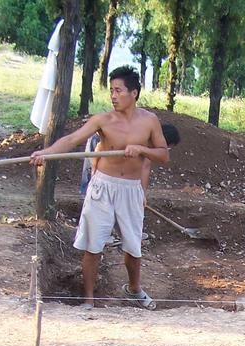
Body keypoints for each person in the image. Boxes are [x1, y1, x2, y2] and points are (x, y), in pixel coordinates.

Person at [30, 65, 169, 309]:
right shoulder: (103, 120)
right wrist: (46, 153)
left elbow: (163, 154)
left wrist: (142, 149)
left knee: (133, 247)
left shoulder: (149, 121)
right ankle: (89, 300)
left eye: (118, 90)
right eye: (111, 91)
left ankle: (134, 290)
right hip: (103, 187)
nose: (113, 96)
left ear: (133, 92)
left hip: (130, 189)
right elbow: (72, 139)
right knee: (93, 245)